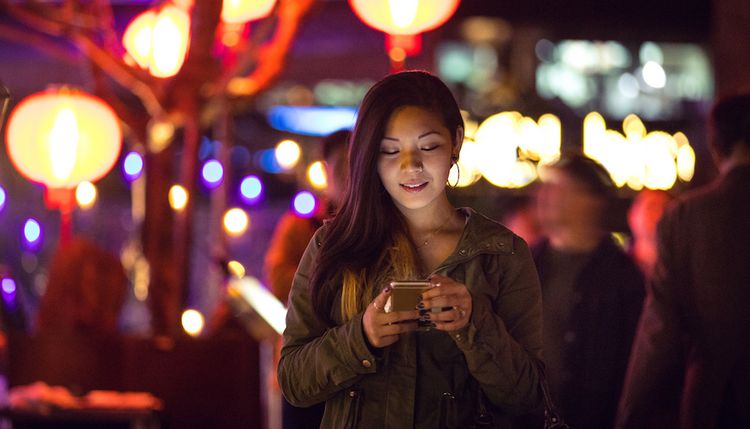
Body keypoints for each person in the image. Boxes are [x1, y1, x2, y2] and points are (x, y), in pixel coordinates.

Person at [278, 71, 544, 428]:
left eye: (428, 146)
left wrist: (474, 323)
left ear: (456, 143)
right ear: (370, 156)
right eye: (390, 150)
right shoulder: (334, 245)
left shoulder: (500, 254)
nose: (411, 165)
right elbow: (294, 381)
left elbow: (529, 397)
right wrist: (362, 337)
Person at [615, 93, 750, 429]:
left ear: (717, 147)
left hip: (715, 400)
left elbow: (660, 327)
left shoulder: (688, 216)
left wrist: (629, 414)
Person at [532, 154, 644, 429]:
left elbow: (633, 364)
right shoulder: (524, 263)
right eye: (545, 186)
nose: (545, 195)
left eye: (559, 187)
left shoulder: (622, 276)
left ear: (591, 201)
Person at [264, 129, 350, 429]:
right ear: (326, 170)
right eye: (341, 166)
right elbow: (280, 281)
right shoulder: (301, 227)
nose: (348, 175)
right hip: (306, 367)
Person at [626, 189, 673, 279]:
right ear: (632, 216)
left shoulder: (683, 270)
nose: (659, 215)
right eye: (651, 208)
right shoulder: (615, 269)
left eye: (665, 209)